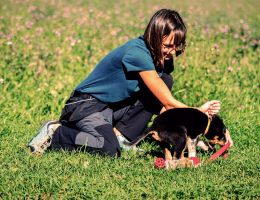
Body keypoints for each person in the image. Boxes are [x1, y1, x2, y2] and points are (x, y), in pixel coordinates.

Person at [28, 9, 221, 157]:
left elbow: (162, 106)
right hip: (87, 106)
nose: (172, 51)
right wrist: (198, 114)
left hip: (113, 108)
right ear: (154, 37)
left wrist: (189, 131)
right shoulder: (137, 53)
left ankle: (121, 137)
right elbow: (169, 102)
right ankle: (57, 133)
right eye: (167, 45)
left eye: (176, 46)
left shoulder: (163, 60)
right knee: (108, 149)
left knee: (165, 80)